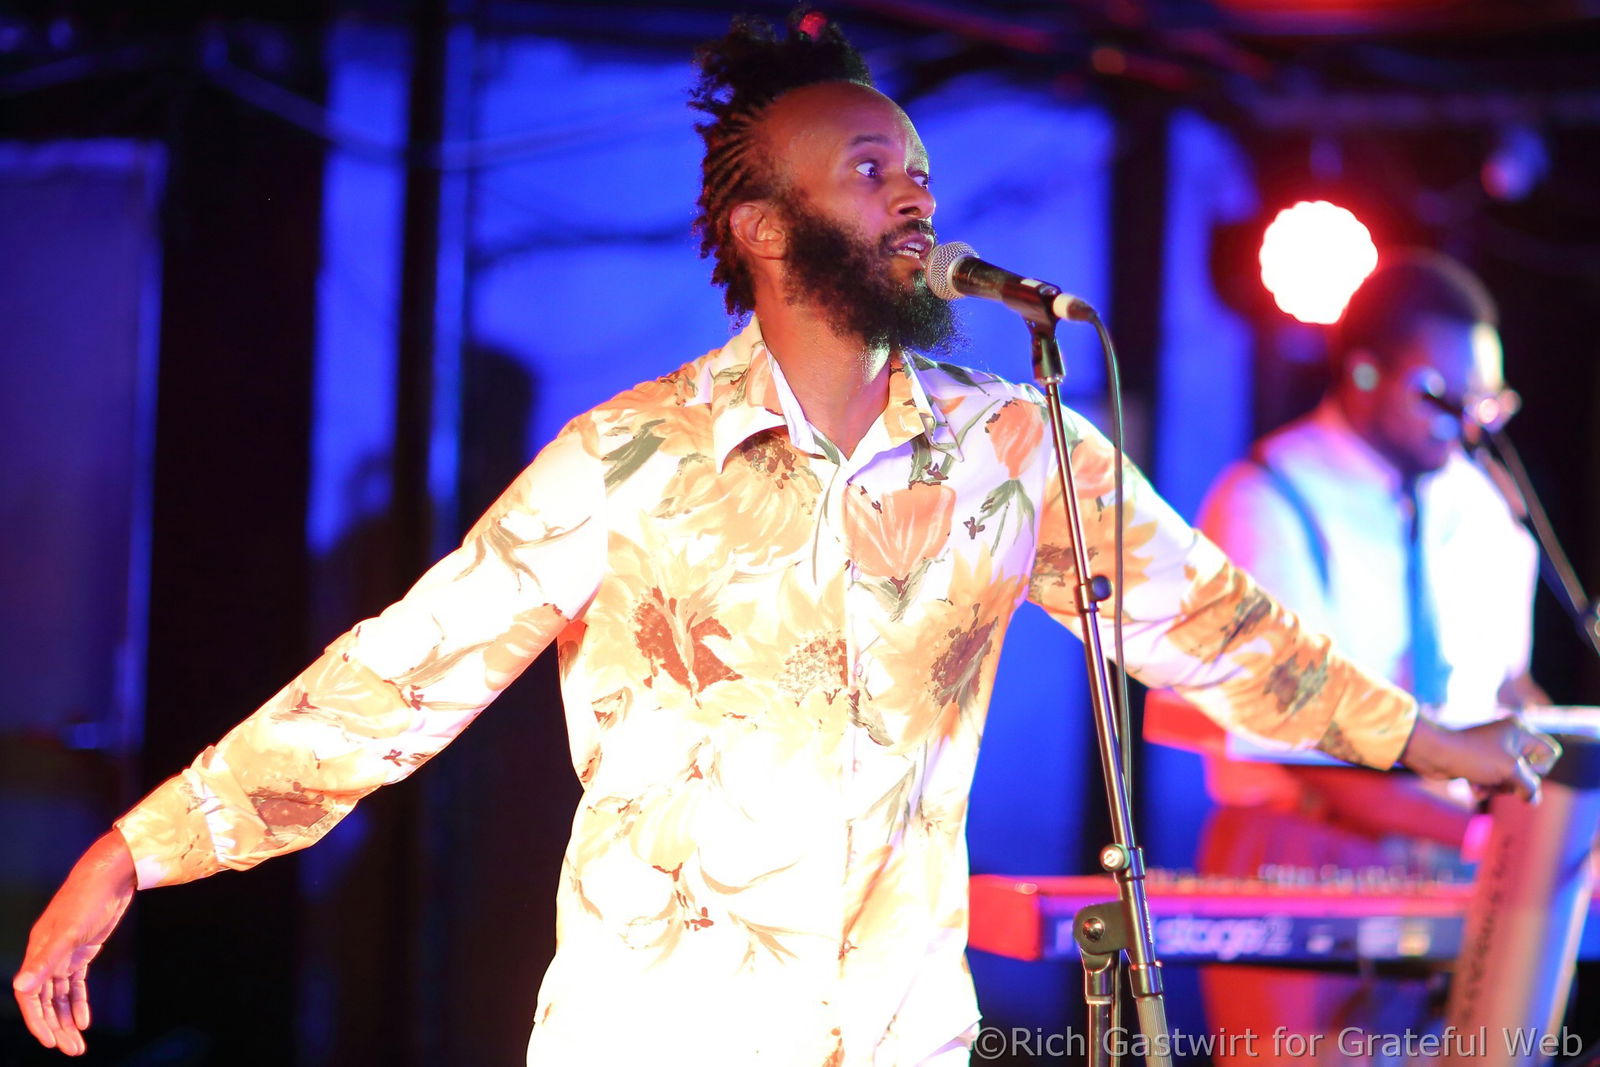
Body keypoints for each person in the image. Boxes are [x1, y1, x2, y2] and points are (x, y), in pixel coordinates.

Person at [13, 14, 1555, 1066]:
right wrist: (134, 849)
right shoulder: (629, 456)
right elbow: (396, 679)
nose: (915, 193)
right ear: (764, 227)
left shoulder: (1016, 445)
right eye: (870, 168)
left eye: (919, 167)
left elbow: (1220, 628)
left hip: (899, 1032)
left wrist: (1433, 743)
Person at [1191, 251, 1544, 1064]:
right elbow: (1297, 741)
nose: (1464, 422)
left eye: (1484, 402)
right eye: (1437, 396)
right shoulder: (1267, 498)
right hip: (1301, 850)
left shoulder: (1482, 507)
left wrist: (1556, 805)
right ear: (1361, 372)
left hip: (1465, 849)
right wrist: (1491, 833)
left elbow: (1508, 686)